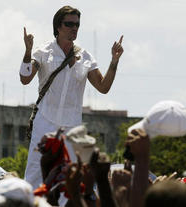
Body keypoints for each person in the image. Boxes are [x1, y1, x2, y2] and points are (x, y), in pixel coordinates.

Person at [19, 5, 124, 190]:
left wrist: (114, 61)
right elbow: (25, 78)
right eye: (69, 24)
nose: (74, 28)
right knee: (35, 174)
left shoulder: (85, 56)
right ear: (58, 27)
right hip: (45, 122)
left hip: (72, 126)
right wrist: (27, 52)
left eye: (77, 25)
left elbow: (103, 87)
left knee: (71, 177)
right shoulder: (43, 52)